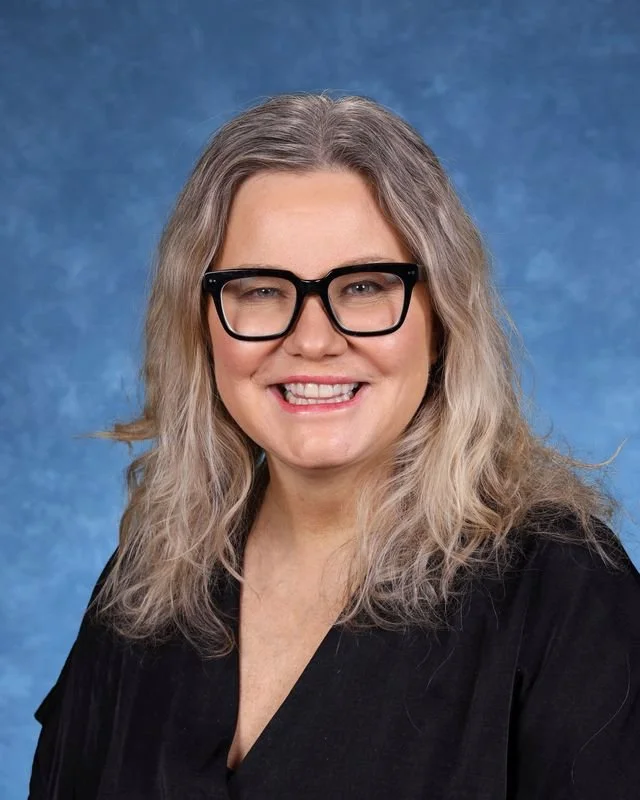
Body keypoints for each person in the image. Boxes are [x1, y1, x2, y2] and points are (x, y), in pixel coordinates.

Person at [29, 92, 640, 799]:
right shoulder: (150, 582)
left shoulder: (566, 596)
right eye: (259, 290)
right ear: (202, 327)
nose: (313, 340)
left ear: (441, 317)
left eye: (365, 286)